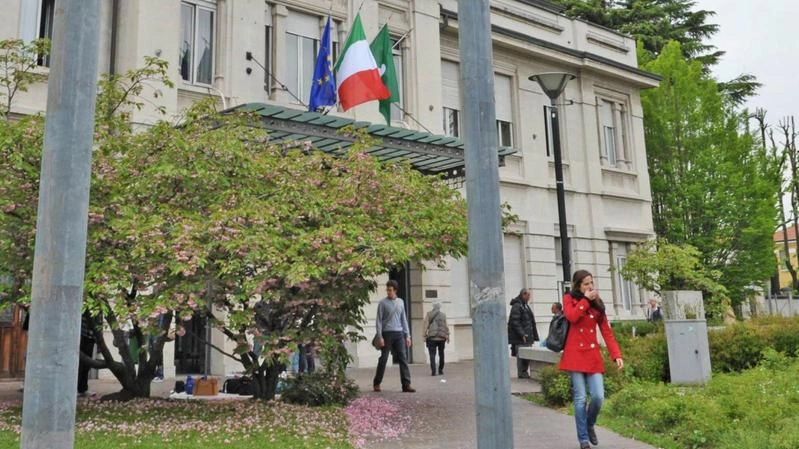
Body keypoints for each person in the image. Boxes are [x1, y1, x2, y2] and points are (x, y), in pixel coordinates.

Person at [559, 270, 623, 449]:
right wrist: (585, 300)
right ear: (578, 285)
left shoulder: (597, 304)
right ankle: (583, 439)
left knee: (598, 396)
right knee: (580, 398)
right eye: (586, 284)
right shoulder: (569, 299)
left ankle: (589, 424)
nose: (590, 287)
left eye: (591, 283)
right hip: (574, 355)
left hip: (592, 356)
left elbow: (606, 332)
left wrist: (616, 355)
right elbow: (571, 316)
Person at [373, 280, 415, 393]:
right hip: (387, 334)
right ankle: (377, 383)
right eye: (387, 290)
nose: (388, 292)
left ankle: (406, 385)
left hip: (399, 333)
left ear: (395, 290)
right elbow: (379, 321)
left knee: (403, 358)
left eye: (390, 290)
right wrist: (380, 336)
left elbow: (404, 319)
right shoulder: (382, 303)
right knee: (384, 359)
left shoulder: (400, 302)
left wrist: (408, 336)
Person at [507, 288, 539, 379]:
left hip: (528, 335)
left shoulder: (525, 305)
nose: (529, 297)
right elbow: (515, 321)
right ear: (524, 295)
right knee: (522, 355)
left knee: (527, 354)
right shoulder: (517, 306)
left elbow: (530, 321)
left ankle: (524, 372)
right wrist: (522, 334)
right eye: (528, 295)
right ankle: (522, 373)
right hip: (521, 337)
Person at [423, 302, 449, 376]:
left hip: (432, 337)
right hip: (441, 337)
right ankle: (440, 370)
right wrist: (447, 336)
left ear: (433, 307)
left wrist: (424, 335)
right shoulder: (443, 315)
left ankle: (433, 371)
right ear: (439, 307)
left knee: (432, 354)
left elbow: (425, 326)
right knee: (441, 354)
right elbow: (446, 326)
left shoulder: (429, 314)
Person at [78, 311, 98, 397]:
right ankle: (78, 388)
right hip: (82, 336)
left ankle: (83, 388)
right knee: (80, 364)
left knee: (86, 365)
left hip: (91, 337)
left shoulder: (98, 306)